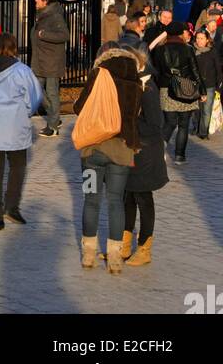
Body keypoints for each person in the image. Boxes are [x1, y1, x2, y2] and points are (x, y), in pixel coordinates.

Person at [73, 45, 142, 273]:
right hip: (122, 152)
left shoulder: (99, 74)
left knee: (91, 200)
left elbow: (80, 107)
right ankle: (114, 257)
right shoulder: (136, 81)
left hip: (93, 152)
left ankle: (88, 254)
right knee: (115, 201)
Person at [0, 32, 42, 230]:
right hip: (14, 126)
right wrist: (25, 113)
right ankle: (11, 206)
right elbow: (35, 96)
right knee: (17, 166)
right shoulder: (22, 71)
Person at [121, 48, 167, 268]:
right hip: (132, 149)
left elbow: (155, 124)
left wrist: (129, 125)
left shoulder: (147, 88)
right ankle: (124, 244)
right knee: (127, 197)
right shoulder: (134, 86)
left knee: (143, 199)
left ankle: (144, 248)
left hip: (146, 151)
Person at [153, 21, 205, 164]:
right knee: (183, 124)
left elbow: (156, 71)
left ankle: (160, 148)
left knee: (169, 122)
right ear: (181, 33)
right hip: (186, 88)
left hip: (166, 88)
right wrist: (202, 90)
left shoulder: (160, 49)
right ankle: (180, 156)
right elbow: (195, 71)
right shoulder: (188, 49)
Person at [30, 0, 69, 138]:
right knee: (37, 90)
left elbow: (65, 35)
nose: (35, 0)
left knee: (52, 93)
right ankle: (55, 117)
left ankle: (52, 127)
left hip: (52, 61)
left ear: (45, 0)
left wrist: (44, 34)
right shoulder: (43, 14)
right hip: (40, 60)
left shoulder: (54, 15)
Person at [192, 29, 221, 139]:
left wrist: (219, 86)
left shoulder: (212, 51)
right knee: (196, 109)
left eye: (202, 38)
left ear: (207, 39)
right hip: (195, 84)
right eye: (198, 38)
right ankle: (196, 127)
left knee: (207, 110)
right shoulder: (192, 50)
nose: (199, 41)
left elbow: (218, 69)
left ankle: (203, 132)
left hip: (209, 85)